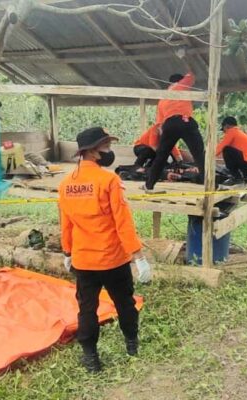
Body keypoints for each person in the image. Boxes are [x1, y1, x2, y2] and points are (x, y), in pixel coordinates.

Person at [59, 127, 152, 373]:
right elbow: (123, 223)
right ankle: (132, 344)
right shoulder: (109, 180)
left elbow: (66, 223)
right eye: (106, 147)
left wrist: (67, 252)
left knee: (87, 309)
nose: (110, 151)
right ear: (91, 151)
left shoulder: (66, 184)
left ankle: (90, 358)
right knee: (124, 303)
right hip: (113, 259)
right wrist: (139, 257)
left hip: (84, 261)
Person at [144, 67, 206, 191]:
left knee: (161, 157)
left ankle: (149, 185)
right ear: (179, 81)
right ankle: (209, 184)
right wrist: (186, 57)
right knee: (199, 155)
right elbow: (193, 73)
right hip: (185, 120)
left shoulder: (162, 100)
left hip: (169, 124)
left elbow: (160, 126)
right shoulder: (181, 85)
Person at [215, 116, 247, 185]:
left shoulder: (232, 131)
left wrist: (207, 157)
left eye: (224, 130)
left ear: (227, 126)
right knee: (239, 157)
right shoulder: (239, 134)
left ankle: (236, 178)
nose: (224, 133)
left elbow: (220, 148)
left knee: (227, 150)